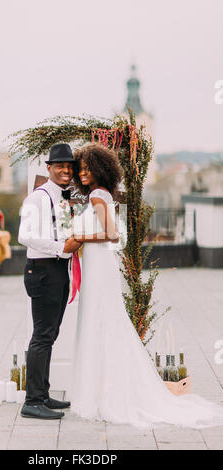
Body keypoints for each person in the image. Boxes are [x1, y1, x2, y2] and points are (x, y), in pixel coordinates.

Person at [70, 143, 223, 429]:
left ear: (100, 169)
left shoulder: (97, 197)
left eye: (88, 168)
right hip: (99, 265)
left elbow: (112, 235)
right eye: (81, 169)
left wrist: (80, 237)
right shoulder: (100, 195)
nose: (84, 173)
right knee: (102, 320)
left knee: (100, 319)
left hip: (99, 266)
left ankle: (102, 391)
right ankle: (103, 387)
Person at [18, 143, 82, 420]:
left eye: (69, 166)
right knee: (42, 336)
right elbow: (24, 236)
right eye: (60, 165)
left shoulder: (64, 197)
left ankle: (42, 393)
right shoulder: (38, 198)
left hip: (57, 270)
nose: (66, 170)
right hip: (43, 270)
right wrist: (61, 247)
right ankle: (32, 401)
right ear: (49, 168)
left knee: (50, 334)